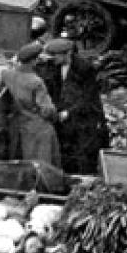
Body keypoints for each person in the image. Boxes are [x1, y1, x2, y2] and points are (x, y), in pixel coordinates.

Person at [40, 38, 109, 176]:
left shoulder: (84, 68)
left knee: (82, 153)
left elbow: (89, 97)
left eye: (56, 55)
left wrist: (69, 112)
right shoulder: (51, 66)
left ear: (67, 54)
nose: (52, 59)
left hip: (82, 118)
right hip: (61, 118)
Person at [2, 42, 61, 171]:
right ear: (33, 61)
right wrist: (56, 116)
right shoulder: (36, 82)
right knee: (44, 164)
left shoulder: (7, 75)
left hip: (20, 122)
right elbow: (47, 110)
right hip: (37, 126)